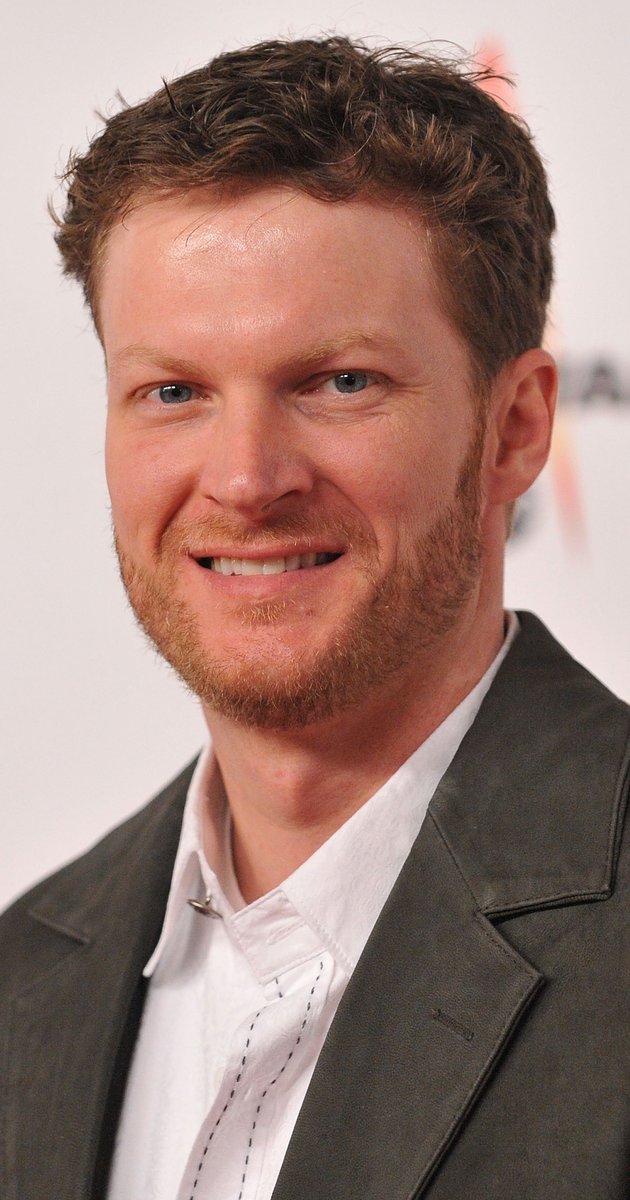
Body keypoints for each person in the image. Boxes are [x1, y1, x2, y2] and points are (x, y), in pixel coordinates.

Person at [1, 35, 629, 1200]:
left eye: (340, 382)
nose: (245, 480)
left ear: (517, 429)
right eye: (173, 392)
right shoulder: (22, 978)